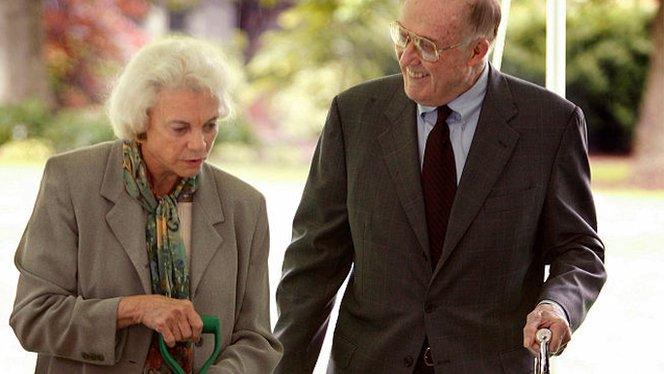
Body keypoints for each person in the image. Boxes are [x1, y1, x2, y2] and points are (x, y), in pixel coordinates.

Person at [273, 0, 606, 372]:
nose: (407, 58)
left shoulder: (549, 124)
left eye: (427, 46)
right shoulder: (353, 116)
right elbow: (314, 265)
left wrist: (557, 305)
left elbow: (579, 250)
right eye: (403, 37)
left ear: (477, 50)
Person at [10, 37, 282, 373]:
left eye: (210, 125)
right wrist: (136, 309)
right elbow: (33, 317)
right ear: (140, 123)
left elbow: (257, 339)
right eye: (180, 128)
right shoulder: (71, 182)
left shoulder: (245, 206)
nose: (200, 143)